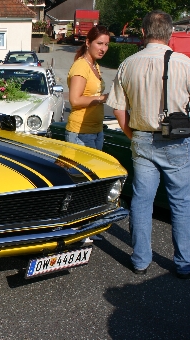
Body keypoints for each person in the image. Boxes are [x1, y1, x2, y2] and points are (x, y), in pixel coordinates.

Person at [106, 10, 190, 279]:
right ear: (170, 33)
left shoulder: (127, 64)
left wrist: (134, 136)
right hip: (177, 140)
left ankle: (141, 260)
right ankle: (184, 262)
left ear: (142, 33)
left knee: (142, 202)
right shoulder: (184, 63)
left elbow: (119, 111)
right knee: (181, 203)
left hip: (141, 136)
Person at [65, 25, 110, 242]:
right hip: (80, 133)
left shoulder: (95, 66)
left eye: (107, 44)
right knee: (82, 184)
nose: (103, 48)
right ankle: (78, 231)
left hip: (94, 130)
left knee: (93, 183)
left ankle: (88, 226)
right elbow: (74, 100)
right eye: (99, 43)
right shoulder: (81, 67)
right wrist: (101, 98)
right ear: (88, 43)